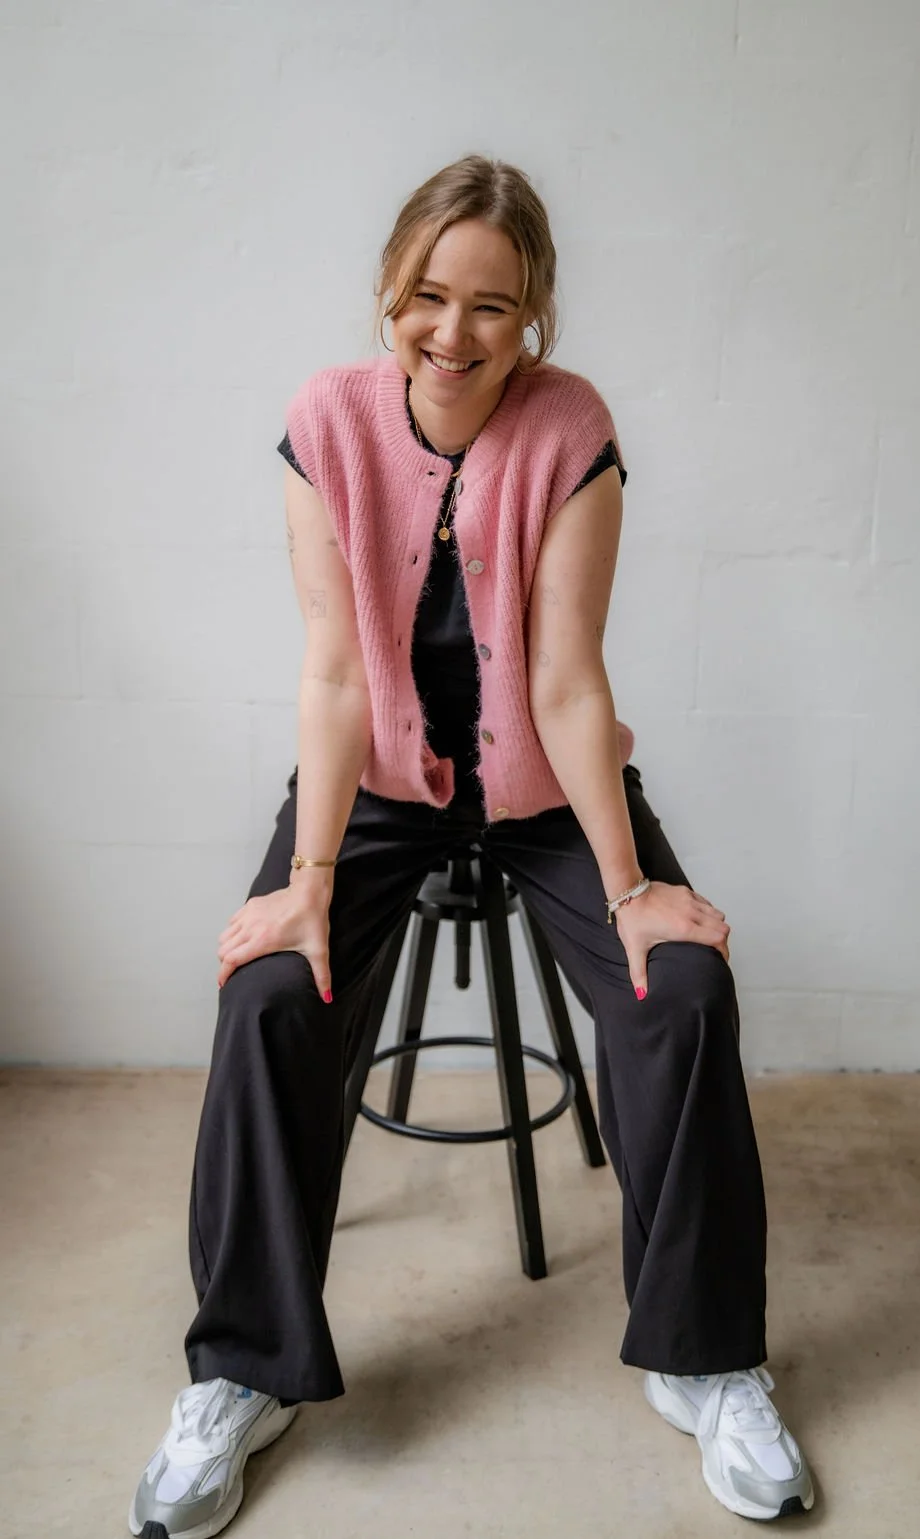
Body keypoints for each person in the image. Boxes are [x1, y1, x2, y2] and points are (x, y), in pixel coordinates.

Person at [128, 155, 813, 1538]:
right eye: (427, 296)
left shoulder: (573, 431)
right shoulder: (326, 422)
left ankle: (706, 1356)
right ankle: (242, 1371)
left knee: (681, 990)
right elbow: (332, 673)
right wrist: (308, 884)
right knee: (267, 993)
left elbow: (565, 686)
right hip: (377, 784)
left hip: (551, 792)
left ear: (536, 314)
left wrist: (630, 891)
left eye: (490, 306)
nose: (453, 332)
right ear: (389, 289)